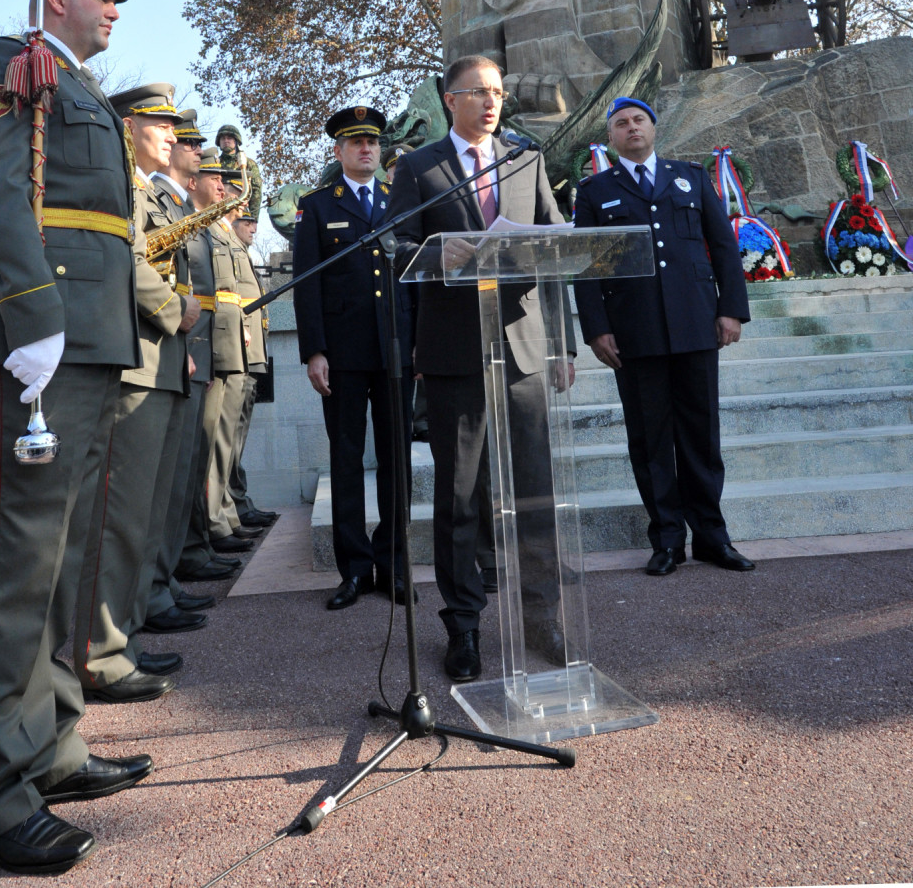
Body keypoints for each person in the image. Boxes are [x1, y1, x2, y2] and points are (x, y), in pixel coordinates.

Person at [0, 0, 151, 875]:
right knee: (21, 568)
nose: (115, 9)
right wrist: (34, 317)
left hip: (91, 340)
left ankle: (53, 747)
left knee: (66, 563)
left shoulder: (83, 90)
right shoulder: (11, 66)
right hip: (38, 341)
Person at [389, 56, 571, 680]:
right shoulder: (416, 167)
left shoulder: (526, 158)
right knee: (460, 495)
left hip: (520, 346)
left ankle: (542, 614)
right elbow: (396, 246)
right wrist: (439, 252)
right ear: (449, 99)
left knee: (534, 489)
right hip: (452, 351)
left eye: (497, 92)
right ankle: (464, 624)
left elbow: (556, 241)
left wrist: (564, 341)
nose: (491, 102)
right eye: (478, 92)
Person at [572, 96, 755, 577]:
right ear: (610, 137)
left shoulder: (690, 177)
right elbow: (587, 267)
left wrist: (731, 310)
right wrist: (596, 329)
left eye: (638, 120)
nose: (631, 128)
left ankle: (713, 539)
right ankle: (668, 540)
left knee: (701, 436)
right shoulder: (593, 192)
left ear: (653, 128)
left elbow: (723, 246)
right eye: (621, 124)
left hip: (696, 324)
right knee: (651, 441)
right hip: (635, 333)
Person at [72, 83, 201, 702]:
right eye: (161, 126)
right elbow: (121, 258)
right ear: (128, 130)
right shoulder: (119, 184)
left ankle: (119, 638)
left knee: (140, 517)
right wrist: (173, 306)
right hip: (133, 361)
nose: (173, 137)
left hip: (160, 361)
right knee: (117, 519)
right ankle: (100, 653)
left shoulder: (147, 190)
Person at [293, 106, 414, 611]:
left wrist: (419, 344)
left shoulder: (400, 201)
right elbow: (307, 283)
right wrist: (315, 351)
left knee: (396, 461)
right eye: (355, 142)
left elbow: (414, 276)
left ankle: (393, 565)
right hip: (341, 354)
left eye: (373, 141)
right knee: (346, 460)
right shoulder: (318, 205)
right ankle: (354, 570)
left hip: (394, 350)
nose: (367, 148)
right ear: (339, 151)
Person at [144, 109, 220, 628]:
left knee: (174, 479)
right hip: (158, 341)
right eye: (183, 140)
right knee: (153, 486)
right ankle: (150, 590)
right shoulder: (151, 197)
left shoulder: (172, 202)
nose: (190, 147)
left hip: (179, 343)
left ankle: (162, 580)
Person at [175, 149, 253, 581]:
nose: (222, 185)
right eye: (214, 177)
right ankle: (203, 534)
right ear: (194, 181)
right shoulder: (190, 220)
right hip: (197, 338)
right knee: (202, 446)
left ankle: (209, 530)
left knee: (214, 443)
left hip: (216, 339)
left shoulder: (208, 226)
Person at [227, 208, 277, 529]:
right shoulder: (227, 247)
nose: (254, 228)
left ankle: (238, 502)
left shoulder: (242, 252)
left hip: (251, 355)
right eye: (247, 221)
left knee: (238, 436)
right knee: (228, 438)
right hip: (236, 352)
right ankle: (233, 507)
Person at [214, 122, 262, 220]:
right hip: (218, 212)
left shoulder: (248, 163)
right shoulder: (214, 163)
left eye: (229, 138)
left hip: (241, 213)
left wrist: (253, 219)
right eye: (223, 138)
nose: (226, 141)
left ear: (236, 141)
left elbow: (256, 191)